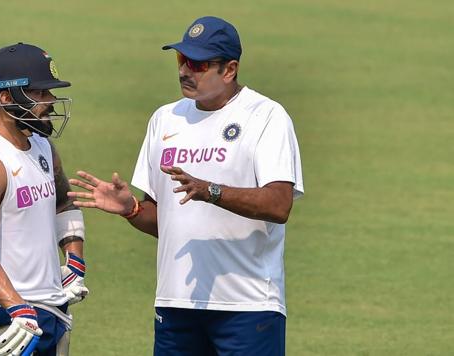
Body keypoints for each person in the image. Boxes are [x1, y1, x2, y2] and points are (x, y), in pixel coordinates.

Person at [68, 17, 303, 356]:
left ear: (229, 69)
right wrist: (131, 209)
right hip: (176, 304)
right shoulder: (165, 119)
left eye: (197, 64)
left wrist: (211, 191)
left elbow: (278, 205)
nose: (184, 71)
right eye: (181, 60)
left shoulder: (266, 117)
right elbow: (165, 220)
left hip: (248, 306)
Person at [0, 42, 89, 356]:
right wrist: (19, 309)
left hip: (50, 309)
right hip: (5, 316)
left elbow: (64, 201)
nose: (51, 101)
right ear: (5, 97)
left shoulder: (41, 146)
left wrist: (74, 261)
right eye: (40, 94)